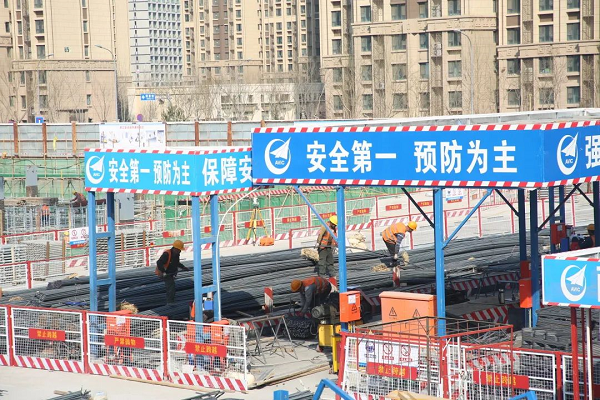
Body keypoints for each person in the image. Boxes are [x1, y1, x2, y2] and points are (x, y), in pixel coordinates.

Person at [156, 240, 190, 304]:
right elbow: (159, 262)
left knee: (171, 287)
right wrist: (163, 272)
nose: (180, 251)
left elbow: (177, 263)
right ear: (175, 249)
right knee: (171, 287)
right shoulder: (167, 254)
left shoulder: (176, 254)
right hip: (165, 273)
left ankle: (171, 301)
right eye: (179, 250)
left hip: (171, 273)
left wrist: (183, 267)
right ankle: (170, 303)